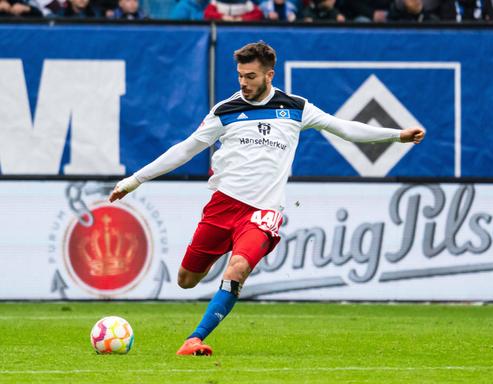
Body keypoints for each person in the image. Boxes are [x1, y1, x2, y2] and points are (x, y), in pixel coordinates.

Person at [109, 42, 425, 356]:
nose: (243, 83)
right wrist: (134, 181)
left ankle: (195, 339)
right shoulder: (225, 111)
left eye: (250, 76)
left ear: (269, 74)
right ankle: (200, 314)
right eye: (240, 76)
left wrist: (396, 135)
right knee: (186, 280)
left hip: (263, 212)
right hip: (223, 206)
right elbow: (184, 149)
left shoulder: (296, 108)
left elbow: (344, 128)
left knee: (237, 270)